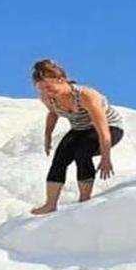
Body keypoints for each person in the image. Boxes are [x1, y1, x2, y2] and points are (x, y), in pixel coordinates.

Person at [30, 59, 125, 215]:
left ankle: (84, 199)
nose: (46, 92)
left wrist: (106, 157)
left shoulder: (86, 95)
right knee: (60, 158)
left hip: (110, 128)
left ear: (61, 80)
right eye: (41, 89)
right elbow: (53, 114)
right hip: (80, 129)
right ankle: (50, 204)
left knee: (82, 152)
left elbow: (102, 129)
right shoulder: (48, 98)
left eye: (48, 87)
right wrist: (47, 136)